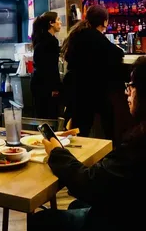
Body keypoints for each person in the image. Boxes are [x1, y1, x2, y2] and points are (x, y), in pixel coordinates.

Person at [28, 56, 146, 231]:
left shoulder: (139, 142)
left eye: (131, 86)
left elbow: (89, 184)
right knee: (76, 204)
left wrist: (56, 152)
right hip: (131, 210)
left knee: (40, 221)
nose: (126, 92)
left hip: (123, 221)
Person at [62, 5, 126, 142]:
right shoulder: (95, 37)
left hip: (76, 88)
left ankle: (77, 157)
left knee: (80, 129)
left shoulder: (77, 34)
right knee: (108, 125)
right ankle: (109, 152)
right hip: (94, 89)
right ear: (104, 22)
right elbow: (117, 54)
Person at [30, 12, 62, 119]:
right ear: (51, 23)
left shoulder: (40, 38)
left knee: (41, 117)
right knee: (50, 117)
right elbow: (51, 67)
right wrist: (55, 87)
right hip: (46, 85)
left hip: (38, 83)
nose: (60, 23)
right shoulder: (51, 41)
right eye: (58, 20)